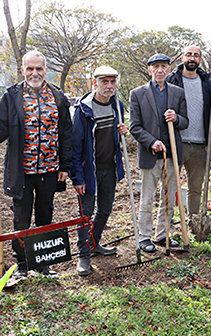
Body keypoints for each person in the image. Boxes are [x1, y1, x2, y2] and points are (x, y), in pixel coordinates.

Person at [0, 50, 72, 277]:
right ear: (22, 70)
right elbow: (0, 132)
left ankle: (42, 264)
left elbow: (67, 134)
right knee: (21, 218)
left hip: (50, 169)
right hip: (22, 171)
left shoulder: (58, 98)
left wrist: (65, 166)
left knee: (45, 215)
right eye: (30, 68)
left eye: (39, 69)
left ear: (45, 71)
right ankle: (21, 265)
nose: (34, 73)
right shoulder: (12, 97)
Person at [69, 66, 128, 276]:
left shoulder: (118, 106)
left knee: (105, 209)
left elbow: (116, 139)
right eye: (105, 81)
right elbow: (75, 147)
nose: (109, 86)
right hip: (88, 172)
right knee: (85, 214)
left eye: (113, 81)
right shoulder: (83, 110)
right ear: (95, 83)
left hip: (109, 169)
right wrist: (77, 177)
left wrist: (123, 130)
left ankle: (94, 243)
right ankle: (83, 255)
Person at [129, 53, 189, 253]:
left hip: (172, 154)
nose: (160, 70)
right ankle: (144, 237)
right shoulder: (137, 94)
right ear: (149, 70)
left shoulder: (178, 93)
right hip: (150, 155)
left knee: (169, 198)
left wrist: (177, 118)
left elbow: (185, 121)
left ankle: (162, 235)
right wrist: (152, 142)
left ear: (169, 69)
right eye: (156, 67)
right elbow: (134, 127)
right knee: (147, 198)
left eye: (163, 66)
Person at [165, 45, 211, 226]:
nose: (192, 58)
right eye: (188, 54)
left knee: (195, 188)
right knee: (170, 185)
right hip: (177, 141)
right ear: (182, 57)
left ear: (200, 59)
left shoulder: (207, 82)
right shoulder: (171, 80)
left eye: (196, 55)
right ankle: (166, 223)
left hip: (200, 144)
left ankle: (193, 222)